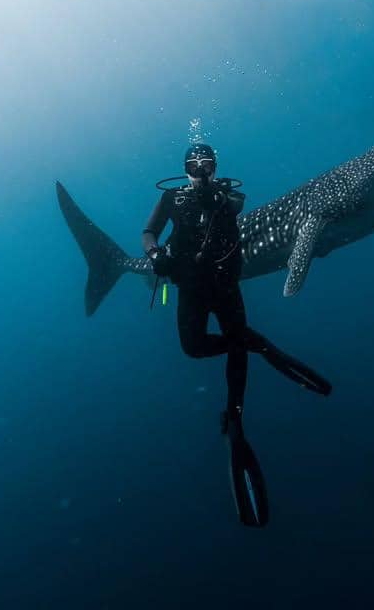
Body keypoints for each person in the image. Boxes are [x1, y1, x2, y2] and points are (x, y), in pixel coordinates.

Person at [141, 143, 331, 526]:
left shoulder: (230, 198)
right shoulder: (171, 197)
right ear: (184, 169)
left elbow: (233, 208)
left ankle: (236, 417)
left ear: (215, 167)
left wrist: (214, 195)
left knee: (235, 344)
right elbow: (149, 231)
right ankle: (259, 343)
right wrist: (153, 253)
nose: (199, 170)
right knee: (193, 348)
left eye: (206, 164)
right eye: (193, 165)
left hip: (226, 287)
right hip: (190, 288)